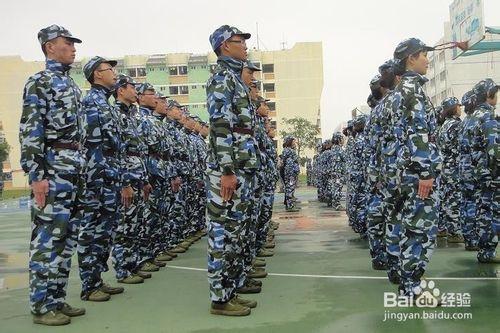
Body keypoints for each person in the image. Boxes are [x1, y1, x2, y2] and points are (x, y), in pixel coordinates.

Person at [20, 24, 87, 325]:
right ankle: (40, 306)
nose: (73, 48)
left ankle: (57, 300)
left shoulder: (71, 85)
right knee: (47, 240)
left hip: (73, 170)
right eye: (67, 43)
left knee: (66, 239)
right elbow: (31, 132)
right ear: (49, 47)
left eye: (73, 44)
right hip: (53, 169)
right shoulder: (39, 82)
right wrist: (37, 176)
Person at [206, 25, 259, 316]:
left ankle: (232, 289)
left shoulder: (235, 80)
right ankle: (220, 298)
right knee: (222, 232)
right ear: (225, 46)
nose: (245, 46)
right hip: (228, 169)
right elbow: (221, 126)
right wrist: (227, 169)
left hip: (242, 166)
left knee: (236, 231)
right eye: (240, 42)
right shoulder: (221, 78)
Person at [391, 38, 441, 298]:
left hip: (409, 171)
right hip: (417, 173)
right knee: (420, 232)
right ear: (411, 58)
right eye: (423, 55)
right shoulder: (412, 90)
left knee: (414, 228)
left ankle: (409, 284)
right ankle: (412, 287)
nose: (427, 60)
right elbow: (418, 133)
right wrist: (425, 172)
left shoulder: (405, 89)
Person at [469, 79, 499, 263]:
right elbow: (494, 151)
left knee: (484, 209)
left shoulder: (473, 116)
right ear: (489, 95)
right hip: (492, 173)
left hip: (480, 170)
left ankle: (484, 250)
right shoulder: (488, 116)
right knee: (492, 212)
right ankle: (487, 251)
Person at [436, 97, 464, 243]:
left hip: (445, 167)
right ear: (453, 108)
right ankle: (454, 232)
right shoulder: (456, 125)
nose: (460, 108)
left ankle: (442, 228)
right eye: (458, 106)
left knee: (445, 197)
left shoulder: (444, 125)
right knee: (454, 200)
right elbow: (462, 146)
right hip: (454, 167)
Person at [458, 90, 480, 251]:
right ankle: (475, 239)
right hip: (474, 167)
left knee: (466, 203)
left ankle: (469, 237)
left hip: (464, 166)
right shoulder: (478, 120)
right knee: (475, 204)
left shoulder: (465, 121)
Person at [282, 136, 300, 212]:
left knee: (290, 188)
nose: (294, 143)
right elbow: (285, 161)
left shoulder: (290, 150)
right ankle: (290, 206)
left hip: (292, 173)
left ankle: (289, 204)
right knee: (290, 188)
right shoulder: (288, 150)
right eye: (293, 141)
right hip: (290, 174)